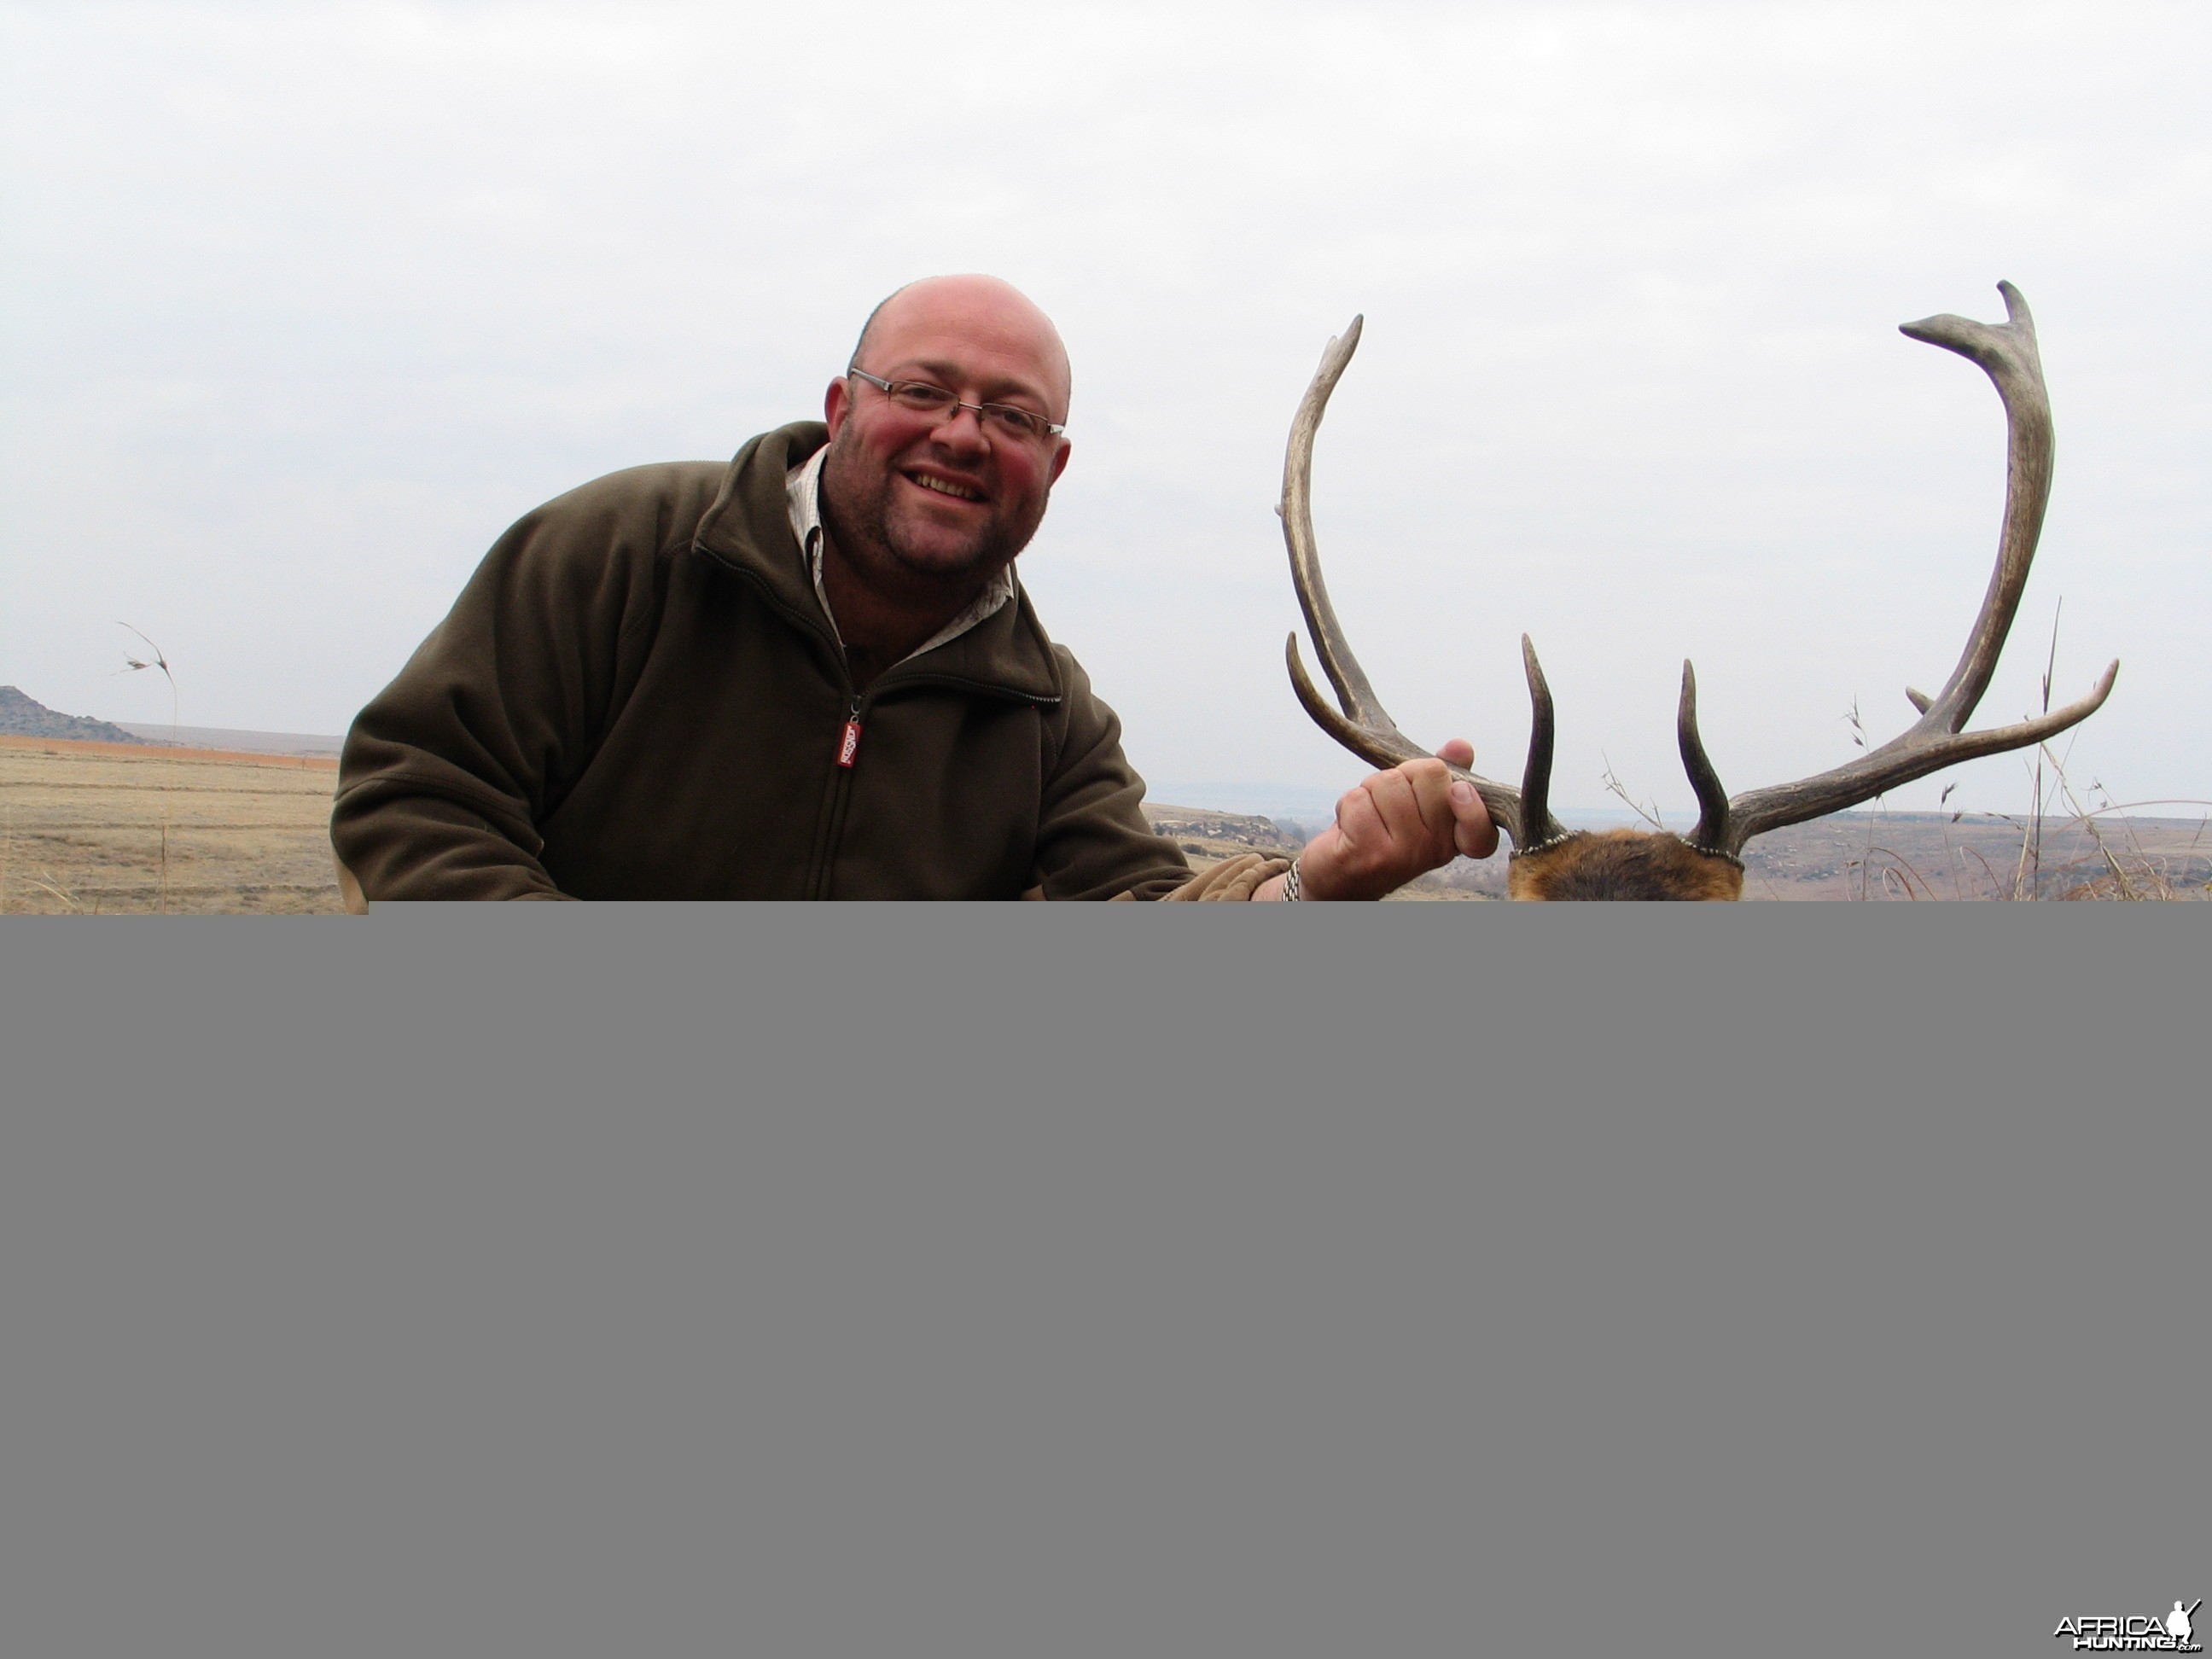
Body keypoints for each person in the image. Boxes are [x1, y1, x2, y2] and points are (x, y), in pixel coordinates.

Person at [329, 275, 1496, 903]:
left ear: (1056, 465)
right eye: (923, 390)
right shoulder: (620, 553)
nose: (964, 435)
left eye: (1014, 416)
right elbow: (418, 792)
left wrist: (1314, 888)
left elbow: (1139, 919)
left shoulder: (1047, 712)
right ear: (842, 411)